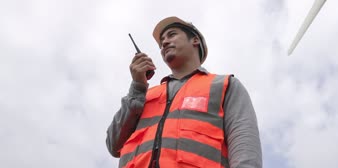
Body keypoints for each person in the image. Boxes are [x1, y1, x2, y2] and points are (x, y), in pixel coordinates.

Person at [106, 16, 262, 168]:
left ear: (195, 40)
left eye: (172, 34)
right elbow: (113, 144)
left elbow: (245, 147)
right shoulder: (143, 95)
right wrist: (137, 86)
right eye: (161, 42)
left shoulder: (224, 85)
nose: (164, 42)